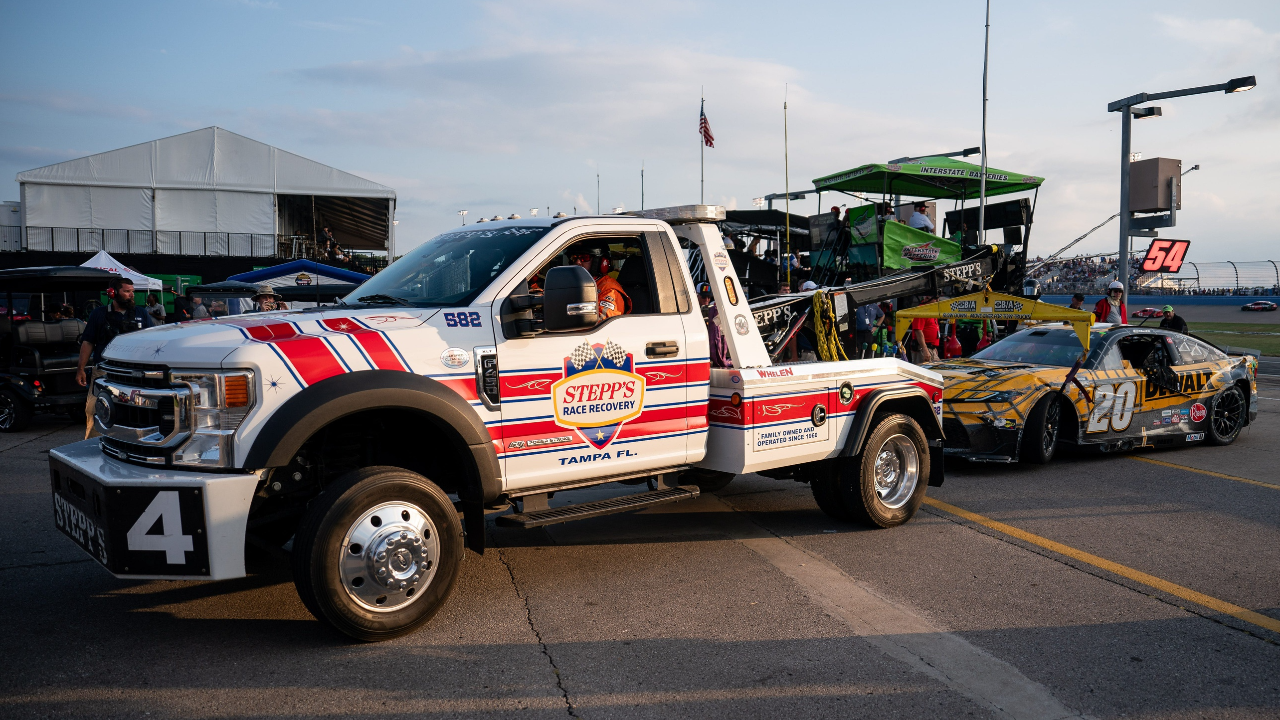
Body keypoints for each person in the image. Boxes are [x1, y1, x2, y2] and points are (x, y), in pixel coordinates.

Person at [76, 277, 154, 438]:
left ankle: (137, 444)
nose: (131, 295)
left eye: (132, 291)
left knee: (137, 412)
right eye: (126, 291)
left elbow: (152, 341)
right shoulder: (99, 314)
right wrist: (81, 369)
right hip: (104, 372)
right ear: (112, 293)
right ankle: (93, 446)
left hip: (134, 374)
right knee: (94, 409)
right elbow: (88, 342)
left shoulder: (141, 313)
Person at [570, 250, 630, 320]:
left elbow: (603, 323)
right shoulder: (577, 285)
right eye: (574, 258)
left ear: (600, 262)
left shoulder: (609, 290)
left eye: (584, 258)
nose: (577, 262)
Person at [909, 296, 940, 364]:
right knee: (922, 371)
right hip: (923, 349)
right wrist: (925, 349)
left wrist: (934, 348)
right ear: (927, 299)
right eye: (935, 299)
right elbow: (918, 331)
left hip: (931, 349)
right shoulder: (922, 310)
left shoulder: (931, 310)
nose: (938, 300)